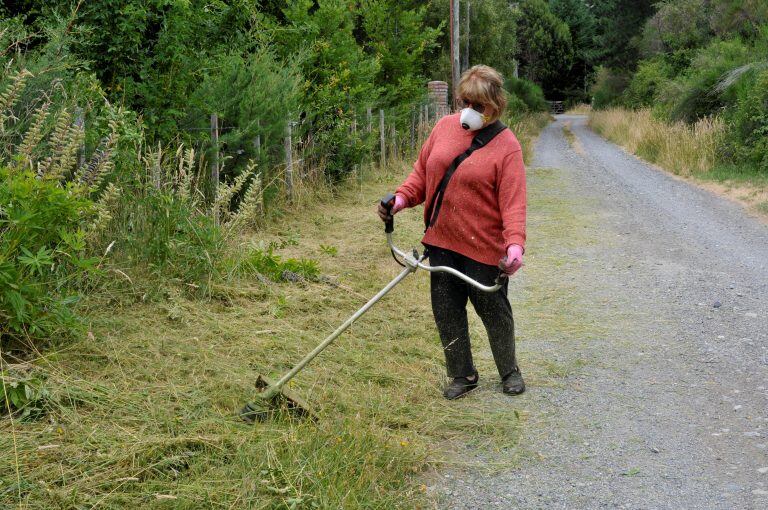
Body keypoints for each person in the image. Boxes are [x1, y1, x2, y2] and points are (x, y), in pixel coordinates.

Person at [377, 65, 527, 400]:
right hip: (441, 241)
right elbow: (421, 176)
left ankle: (509, 370)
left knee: (495, 312)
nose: (470, 112)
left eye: (479, 106)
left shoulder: (507, 145)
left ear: (496, 106)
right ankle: (463, 374)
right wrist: (400, 199)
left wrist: (514, 245)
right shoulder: (444, 128)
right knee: (446, 312)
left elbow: (513, 202)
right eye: (466, 102)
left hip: (483, 247)